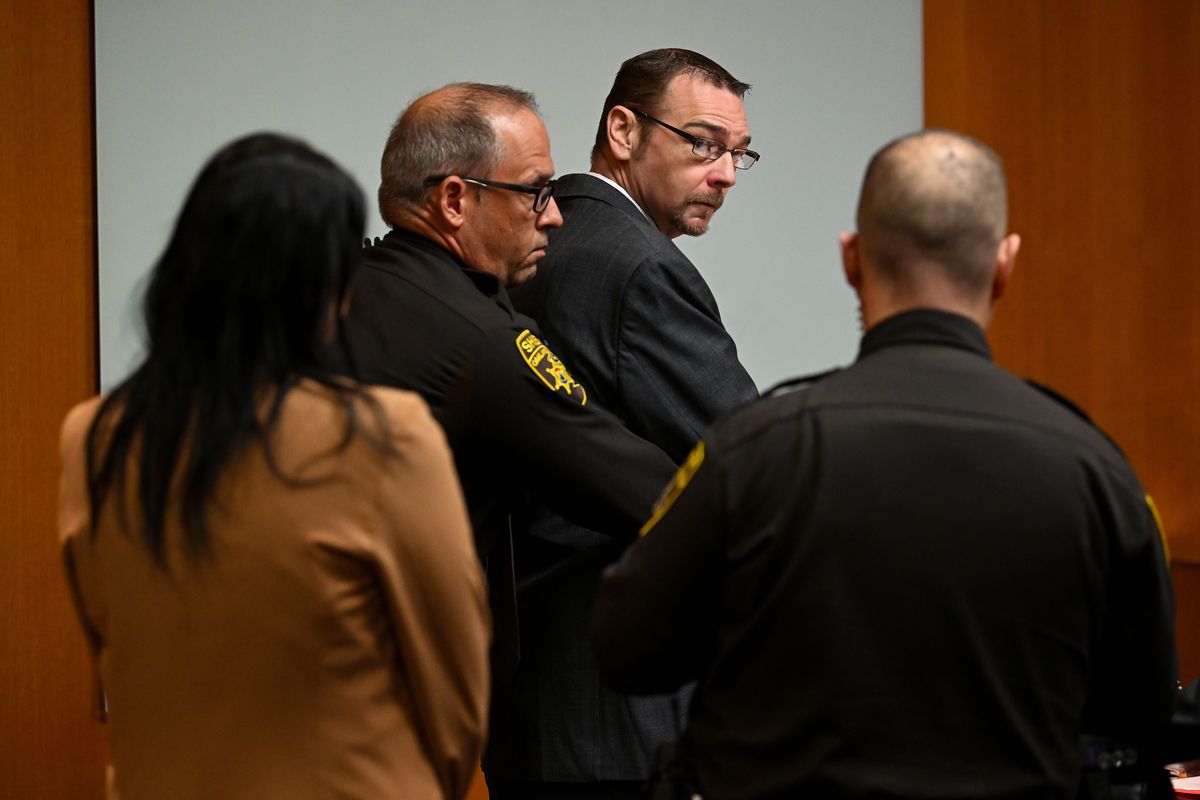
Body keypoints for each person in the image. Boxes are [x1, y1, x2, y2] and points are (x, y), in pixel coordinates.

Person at [592, 129, 1179, 799]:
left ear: (852, 259)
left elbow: (626, 647)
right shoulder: (1095, 470)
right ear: (1005, 265)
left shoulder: (754, 448)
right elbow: (1142, 708)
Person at [58, 133, 490, 800]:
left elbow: (109, 636)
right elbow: (456, 686)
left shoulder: (93, 434)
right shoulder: (384, 435)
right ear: (324, 286)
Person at [491, 49, 760, 797]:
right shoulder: (639, 266)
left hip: (531, 676)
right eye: (703, 143)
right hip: (608, 697)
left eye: (739, 154)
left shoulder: (548, 240)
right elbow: (749, 458)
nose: (726, 174)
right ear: (623, 129)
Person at [338, 84, 676, 677]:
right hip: (389, 684)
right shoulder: (480, 344)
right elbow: (645, 491)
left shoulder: (338, 293)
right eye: (535, 192)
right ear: (453, 201)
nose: (555, 214)